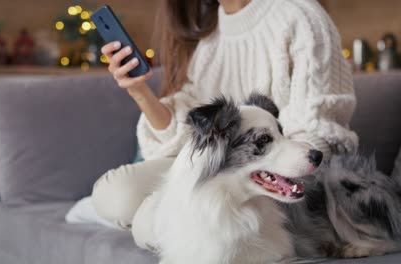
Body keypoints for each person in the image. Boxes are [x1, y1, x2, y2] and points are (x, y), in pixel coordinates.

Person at [90, 0, 358, 249]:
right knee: (112, 193)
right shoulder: (211, 37)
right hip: (215, 166)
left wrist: (261, 172)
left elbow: (318, 128)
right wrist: (139, 91)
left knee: (148, 224)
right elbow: (189, 130)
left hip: (279, 179)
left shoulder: (301, 16)